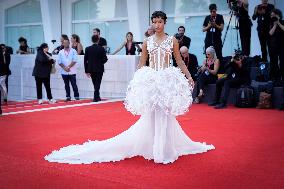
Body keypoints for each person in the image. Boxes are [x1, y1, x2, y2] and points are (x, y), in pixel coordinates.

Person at [45, 11, 214, 165]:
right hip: (151, 79)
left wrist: (190, 77)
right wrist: (137, 80)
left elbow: (178, 60)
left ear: (165, 22)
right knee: (153, 114)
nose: (157, 25)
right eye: (154, 22)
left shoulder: (173, 41)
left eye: (160, 22)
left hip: (166, 79)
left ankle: (163, 149)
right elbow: (142, 63)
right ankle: (157, 148)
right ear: (152, 23)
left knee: (165, 114)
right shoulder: (147, 41)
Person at [84, 35, 108, 102]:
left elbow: (85, 60)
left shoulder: (87, 49)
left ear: (92, 40)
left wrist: (86, 70)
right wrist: (100, 63)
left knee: (95, 83)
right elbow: (105, 59)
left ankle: (97, 97)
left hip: (91, 69)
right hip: (99, 68)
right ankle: (96, 97)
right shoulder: (101, 48)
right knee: (97, 83)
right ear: (98, 40)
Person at [268, 9, 284, 81]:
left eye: (273, 15)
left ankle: (282, 77)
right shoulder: (271, 23)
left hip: (282, 45)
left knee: (282, 62)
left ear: (278, 15)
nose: (272, 17)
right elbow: (270, 33)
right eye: (271, 15)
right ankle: (276, 77)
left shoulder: (283, 22)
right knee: (274, 62)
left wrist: (279, 22)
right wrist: (275, 25)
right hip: (273, 45)